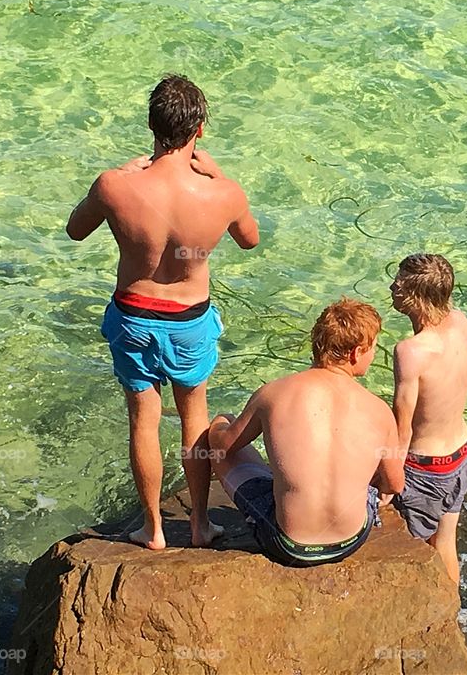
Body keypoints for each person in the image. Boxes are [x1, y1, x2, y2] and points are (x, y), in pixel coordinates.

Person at [66, 74, 259, 550]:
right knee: (195, 421)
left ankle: (152, 529)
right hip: (189, 319)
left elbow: (75, 229)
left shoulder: (114, 186)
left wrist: (119, 175)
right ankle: (199, 525)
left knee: (143, 421)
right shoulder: (224, 194)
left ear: (152, 126)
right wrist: (218, 177)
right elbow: (250, 240)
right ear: (200, 130)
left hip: (133, 316)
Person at [207, 297, 404, 566]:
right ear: (356, 353)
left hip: (287, 545)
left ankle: (202, 523)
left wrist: (219, 424)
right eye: (373, 348)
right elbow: (394, 485)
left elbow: (223, 448)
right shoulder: (379, 410)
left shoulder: (273, 394)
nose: (373, 355)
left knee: (226, 432)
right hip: (350, 541)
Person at [389, 254, 467, 584]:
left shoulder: (411, 352)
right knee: (445, 542)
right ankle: (452, 607)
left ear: (415, 297)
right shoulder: (462, 323)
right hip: (461, 455)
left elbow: (403, 427)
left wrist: (389, 480)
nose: (391, 287)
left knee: (411, 551)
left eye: (398, 284)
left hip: (426, 468)